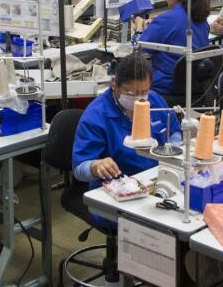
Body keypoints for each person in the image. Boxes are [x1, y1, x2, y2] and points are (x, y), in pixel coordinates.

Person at [73, 53, 179, 221]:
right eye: (131, 92)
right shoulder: (96, 116)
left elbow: (174, 132)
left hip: (157, 184)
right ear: (114, 84)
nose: (139, 98)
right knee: (159, 229)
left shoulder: (155, 101)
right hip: (120, 195)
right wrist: (95, 166)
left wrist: (174, 151)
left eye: (144, 92)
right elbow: (79, 169)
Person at [138, 0, 211, 97]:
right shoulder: (201, 18)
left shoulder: (167, 19)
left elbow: (141, 46)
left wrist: (139, 26)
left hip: (167, 86)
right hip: (196, 85)